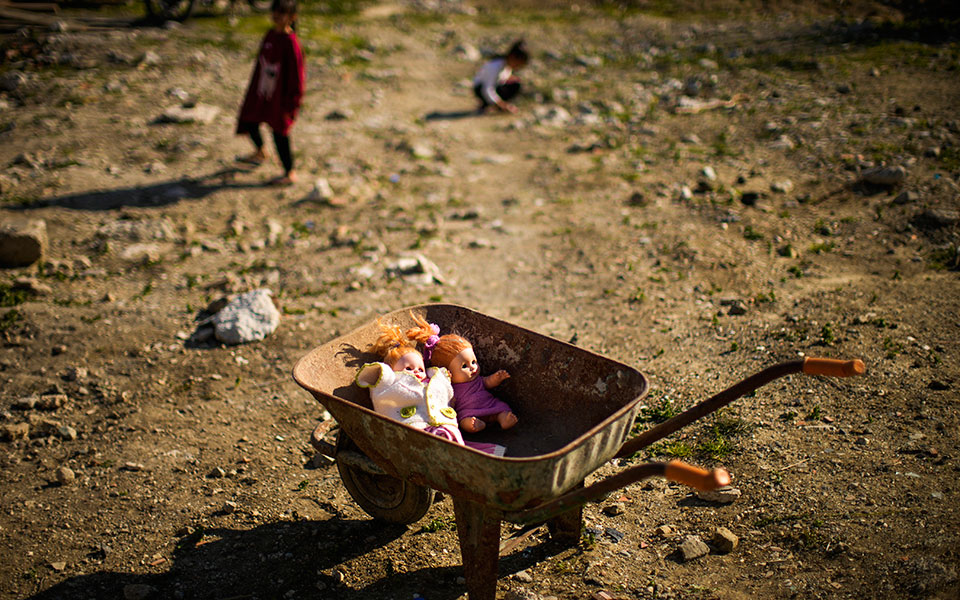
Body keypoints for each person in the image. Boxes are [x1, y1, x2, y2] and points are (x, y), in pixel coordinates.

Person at [356, 320, 463, 445]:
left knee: (452, 440)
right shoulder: (392, 379)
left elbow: (445, 396)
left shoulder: (432, 378)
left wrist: (444, 378)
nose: (416, 372)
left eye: (420, 369)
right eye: (409, 368)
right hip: (414, 426)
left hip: (444, 425)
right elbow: (378, 375)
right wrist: (381, 372)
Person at [407, 315, 518, 434]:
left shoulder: (478, 380)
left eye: (474, 362)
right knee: (464, 420)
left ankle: (503, 418)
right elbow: (447, 401)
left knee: (501, 406)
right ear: (448, 371)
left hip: (490, 404)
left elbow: (488, 382)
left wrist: (497, 377)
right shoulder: (450, 387)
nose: (472, 367)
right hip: (469, 411)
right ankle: (473, 425)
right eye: (464, 366)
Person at [236, 0, 305, 187]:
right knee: (250, 119)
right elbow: (260, 64)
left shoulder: (292, 44)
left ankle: (289, 172)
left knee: (279, 132)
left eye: (282, 13)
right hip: (262, 92)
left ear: (292, 17)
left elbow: (297, 78)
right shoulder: (270, 35)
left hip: (280, 99)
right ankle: (260, 151)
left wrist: (292, 103)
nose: (276, 16)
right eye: (275, 11)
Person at [473, 39, 529, 114]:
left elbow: (502, 78)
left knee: (515, 84)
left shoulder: (506, 66)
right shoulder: (495, 66)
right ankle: (490, 104)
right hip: (481, 89)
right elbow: (487, 89)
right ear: (513, 58)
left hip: (493, 87)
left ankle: (494, 105)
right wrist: (501, 104)